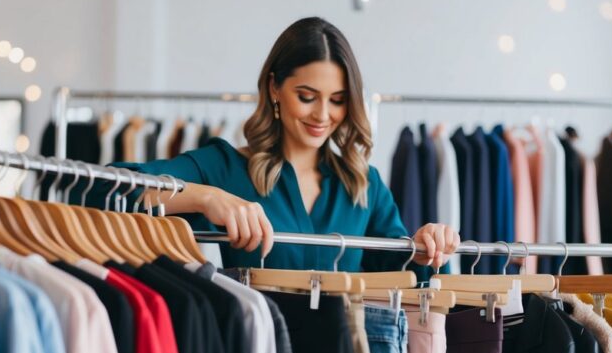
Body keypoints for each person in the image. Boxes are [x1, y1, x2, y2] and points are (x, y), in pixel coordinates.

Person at [97, 16, 459, 273]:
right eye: (306, 96)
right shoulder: (226, 168)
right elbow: (107, 190)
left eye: (337, 100)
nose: (322, 114)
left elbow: (402, 275)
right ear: (274, 88)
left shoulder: (365, 185)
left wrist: (425, 245)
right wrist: (206, 197)